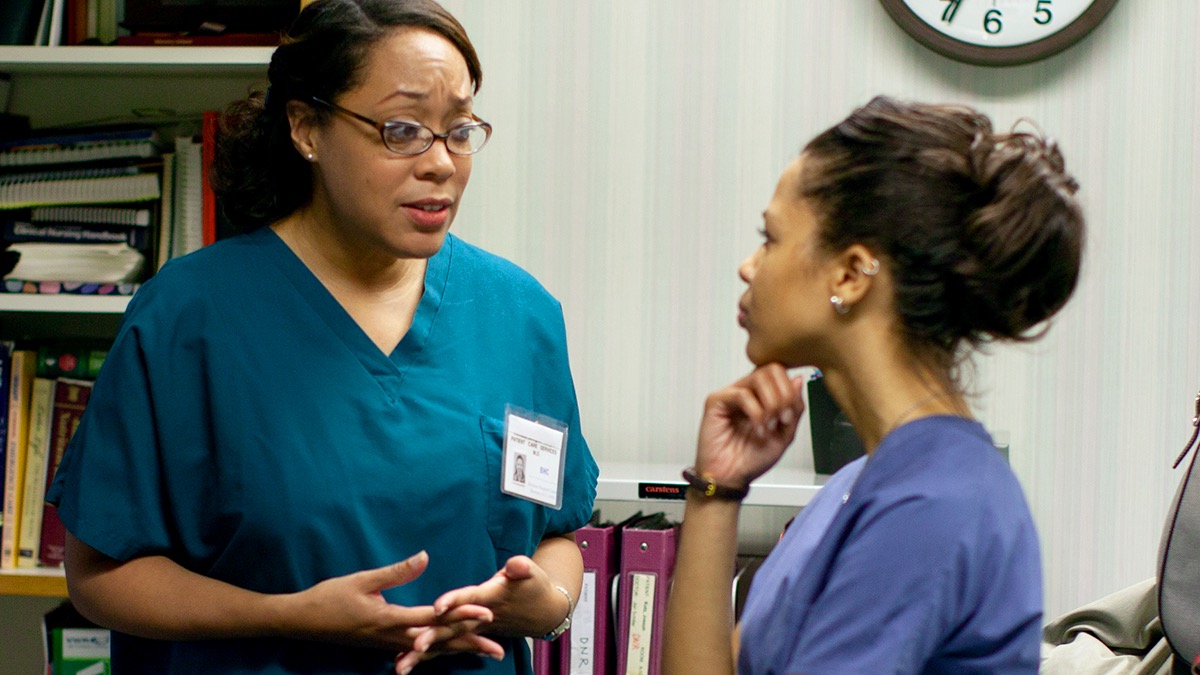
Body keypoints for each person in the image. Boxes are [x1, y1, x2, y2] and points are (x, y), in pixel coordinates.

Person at [45, 1, 598, 674]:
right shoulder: (189, 316)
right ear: (307, 128)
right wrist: (289, 615)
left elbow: (557, 534)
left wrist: (546, 604)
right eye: (402, 130)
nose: (441, 163)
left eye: (458, 130)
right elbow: (99, 575)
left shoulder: (519, 314)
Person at [662, 96, 1085, 674]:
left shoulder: (932, 505)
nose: (748, 266)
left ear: (851, 274)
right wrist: (716, 491)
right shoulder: (860, 485)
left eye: (770, 237)